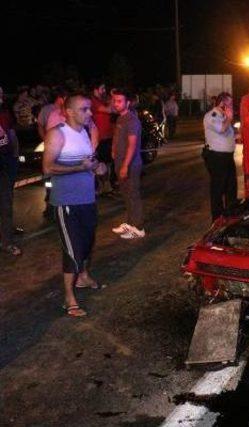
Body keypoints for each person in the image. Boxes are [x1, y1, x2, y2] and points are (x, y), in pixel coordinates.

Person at [43, 94, 101, 317]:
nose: (90, 113)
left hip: (87, 199)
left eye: (89, 109)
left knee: (87, 243)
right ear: (69, 111)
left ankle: (83, 277)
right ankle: (69, 299)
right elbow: (47, 168)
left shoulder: (84, 133)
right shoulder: (57, 134)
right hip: (66, 203)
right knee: (72, 250)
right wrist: (80, 167)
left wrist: (97, 167)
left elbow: (88, 161)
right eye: (84, 109)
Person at [110, 89, 145, 239]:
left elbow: (132, 144)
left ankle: (138, 228)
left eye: (119, 101)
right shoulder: (120, 119)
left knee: (133, 195)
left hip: (130, 164)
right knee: (126, 194)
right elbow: (118, 137)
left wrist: (125, 165)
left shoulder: (132, 120)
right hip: (120, 162)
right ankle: (130, 224)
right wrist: (113, 149)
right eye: (114, 101)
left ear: (127, 103)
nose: (115, 104)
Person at [203, 92, 237, 221]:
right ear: (222, 103)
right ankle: (217, 219)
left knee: (231, 189)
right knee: (218, 189)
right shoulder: (211, 116)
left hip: (227, 158)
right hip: (216, 158)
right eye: (229, 103)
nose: (231, 106)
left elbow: (227, 134)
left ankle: (230, 216)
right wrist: (229, 118)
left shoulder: (223, 116)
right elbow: (222, 129)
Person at [0, 87, 22, 256]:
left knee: (6, 204)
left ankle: (7, 241)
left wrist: (15, 158)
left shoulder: (5, 112)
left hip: (6, 164)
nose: (1, 97)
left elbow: (11, 134)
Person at [90, 82, 115, 194]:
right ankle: (102, 186)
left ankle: (106, 185)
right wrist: (113, 97)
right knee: (100, 163)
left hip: (108, 135)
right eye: (102, 88)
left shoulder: (102, 100)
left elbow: (114, 109)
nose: (104, 90)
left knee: (107, 162)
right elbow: (110, 110)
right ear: (96, 89)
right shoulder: (93, 101)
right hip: (100, 137)